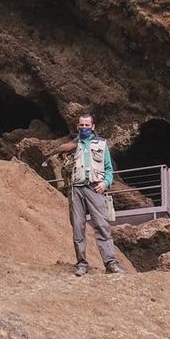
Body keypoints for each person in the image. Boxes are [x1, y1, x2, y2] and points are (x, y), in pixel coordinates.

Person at [64, 112, 121, 277]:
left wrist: (105, 183)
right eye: (81, 125)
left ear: (93, 126)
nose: (84, 128)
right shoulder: (72, 145)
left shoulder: (102, 145)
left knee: (102, 226)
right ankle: (82, 263)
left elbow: (109, 169)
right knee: (77, 227)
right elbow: (63, 167)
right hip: (76, 189)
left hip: (95, 188)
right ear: (77, 126)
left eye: (87, 125)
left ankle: (111, 263)